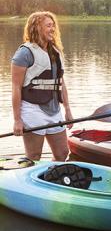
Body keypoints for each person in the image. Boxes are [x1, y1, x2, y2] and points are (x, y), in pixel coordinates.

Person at [11, 11, 73, 161]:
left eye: (53, 25)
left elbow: (61, 83)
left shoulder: (56, 52)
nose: (52, 29)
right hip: (32, 110)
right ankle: (28, 181)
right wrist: (17, 120)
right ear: (36, 27)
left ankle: (50, 178)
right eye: (48, 25)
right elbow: (16, 88)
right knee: (34, 157)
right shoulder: (24, 53)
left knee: (62, 153)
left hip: (54, 111)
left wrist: (68, 110)